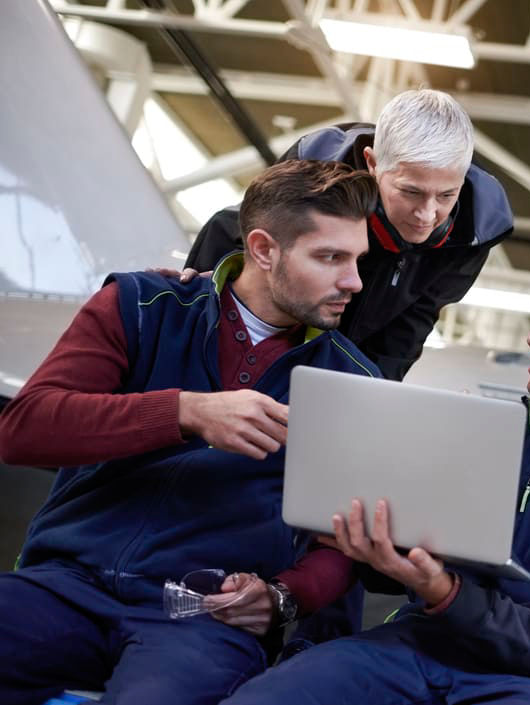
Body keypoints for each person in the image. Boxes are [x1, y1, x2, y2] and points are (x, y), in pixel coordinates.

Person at [221, 255, 530, 705]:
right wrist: (375, 548)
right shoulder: (490, 433)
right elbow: (409, 565)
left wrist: (444, 591)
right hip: (419, 643)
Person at [0, 160, 381, 705]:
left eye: (358, 260)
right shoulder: (139, 306)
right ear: (264, 249)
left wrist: (282, 597)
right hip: (65, 587)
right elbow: (24, 429)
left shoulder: (353, 382)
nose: (354, 281)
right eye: (331, 258)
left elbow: (340, 544)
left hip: (203, 619)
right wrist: (185, 412)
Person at [184, 88, 514, 382]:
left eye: (446, 195)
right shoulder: (315, 167)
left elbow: (413, 323)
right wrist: (193, 298)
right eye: (410, 192)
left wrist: (368, 396)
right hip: (279, 331)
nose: (427, 215)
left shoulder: (478, 229)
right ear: (371, 163)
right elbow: (236, 230)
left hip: (359, 342)